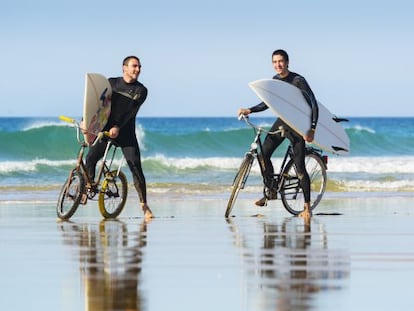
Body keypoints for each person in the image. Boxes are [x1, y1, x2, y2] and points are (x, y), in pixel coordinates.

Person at [238, 49, 318, 219]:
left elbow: (313, 104)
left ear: (287, 62)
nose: (278, 65)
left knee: (300, 168)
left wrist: (311, 129)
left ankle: (307, 207)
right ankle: (272, 191)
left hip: (298, 125)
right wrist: (249, 110)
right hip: (283, 122)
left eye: (280, 61)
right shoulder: (275, 81)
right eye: (274, 62)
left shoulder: (298, 81)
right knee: (263, 154)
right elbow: (268, 103)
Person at [85, 55, 153, 220]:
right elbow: (98, 105)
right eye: (134, 66)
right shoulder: (112, 83)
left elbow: (130, 111)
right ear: (124, 68)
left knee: (135, 166)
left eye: (139, 67)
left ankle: (144, 205)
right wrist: (85, 121)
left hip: (126, 133)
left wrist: (117, 126)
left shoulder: (141, 90)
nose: (137, 69)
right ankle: (89, 186)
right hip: (107, 130)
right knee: (91, 158)